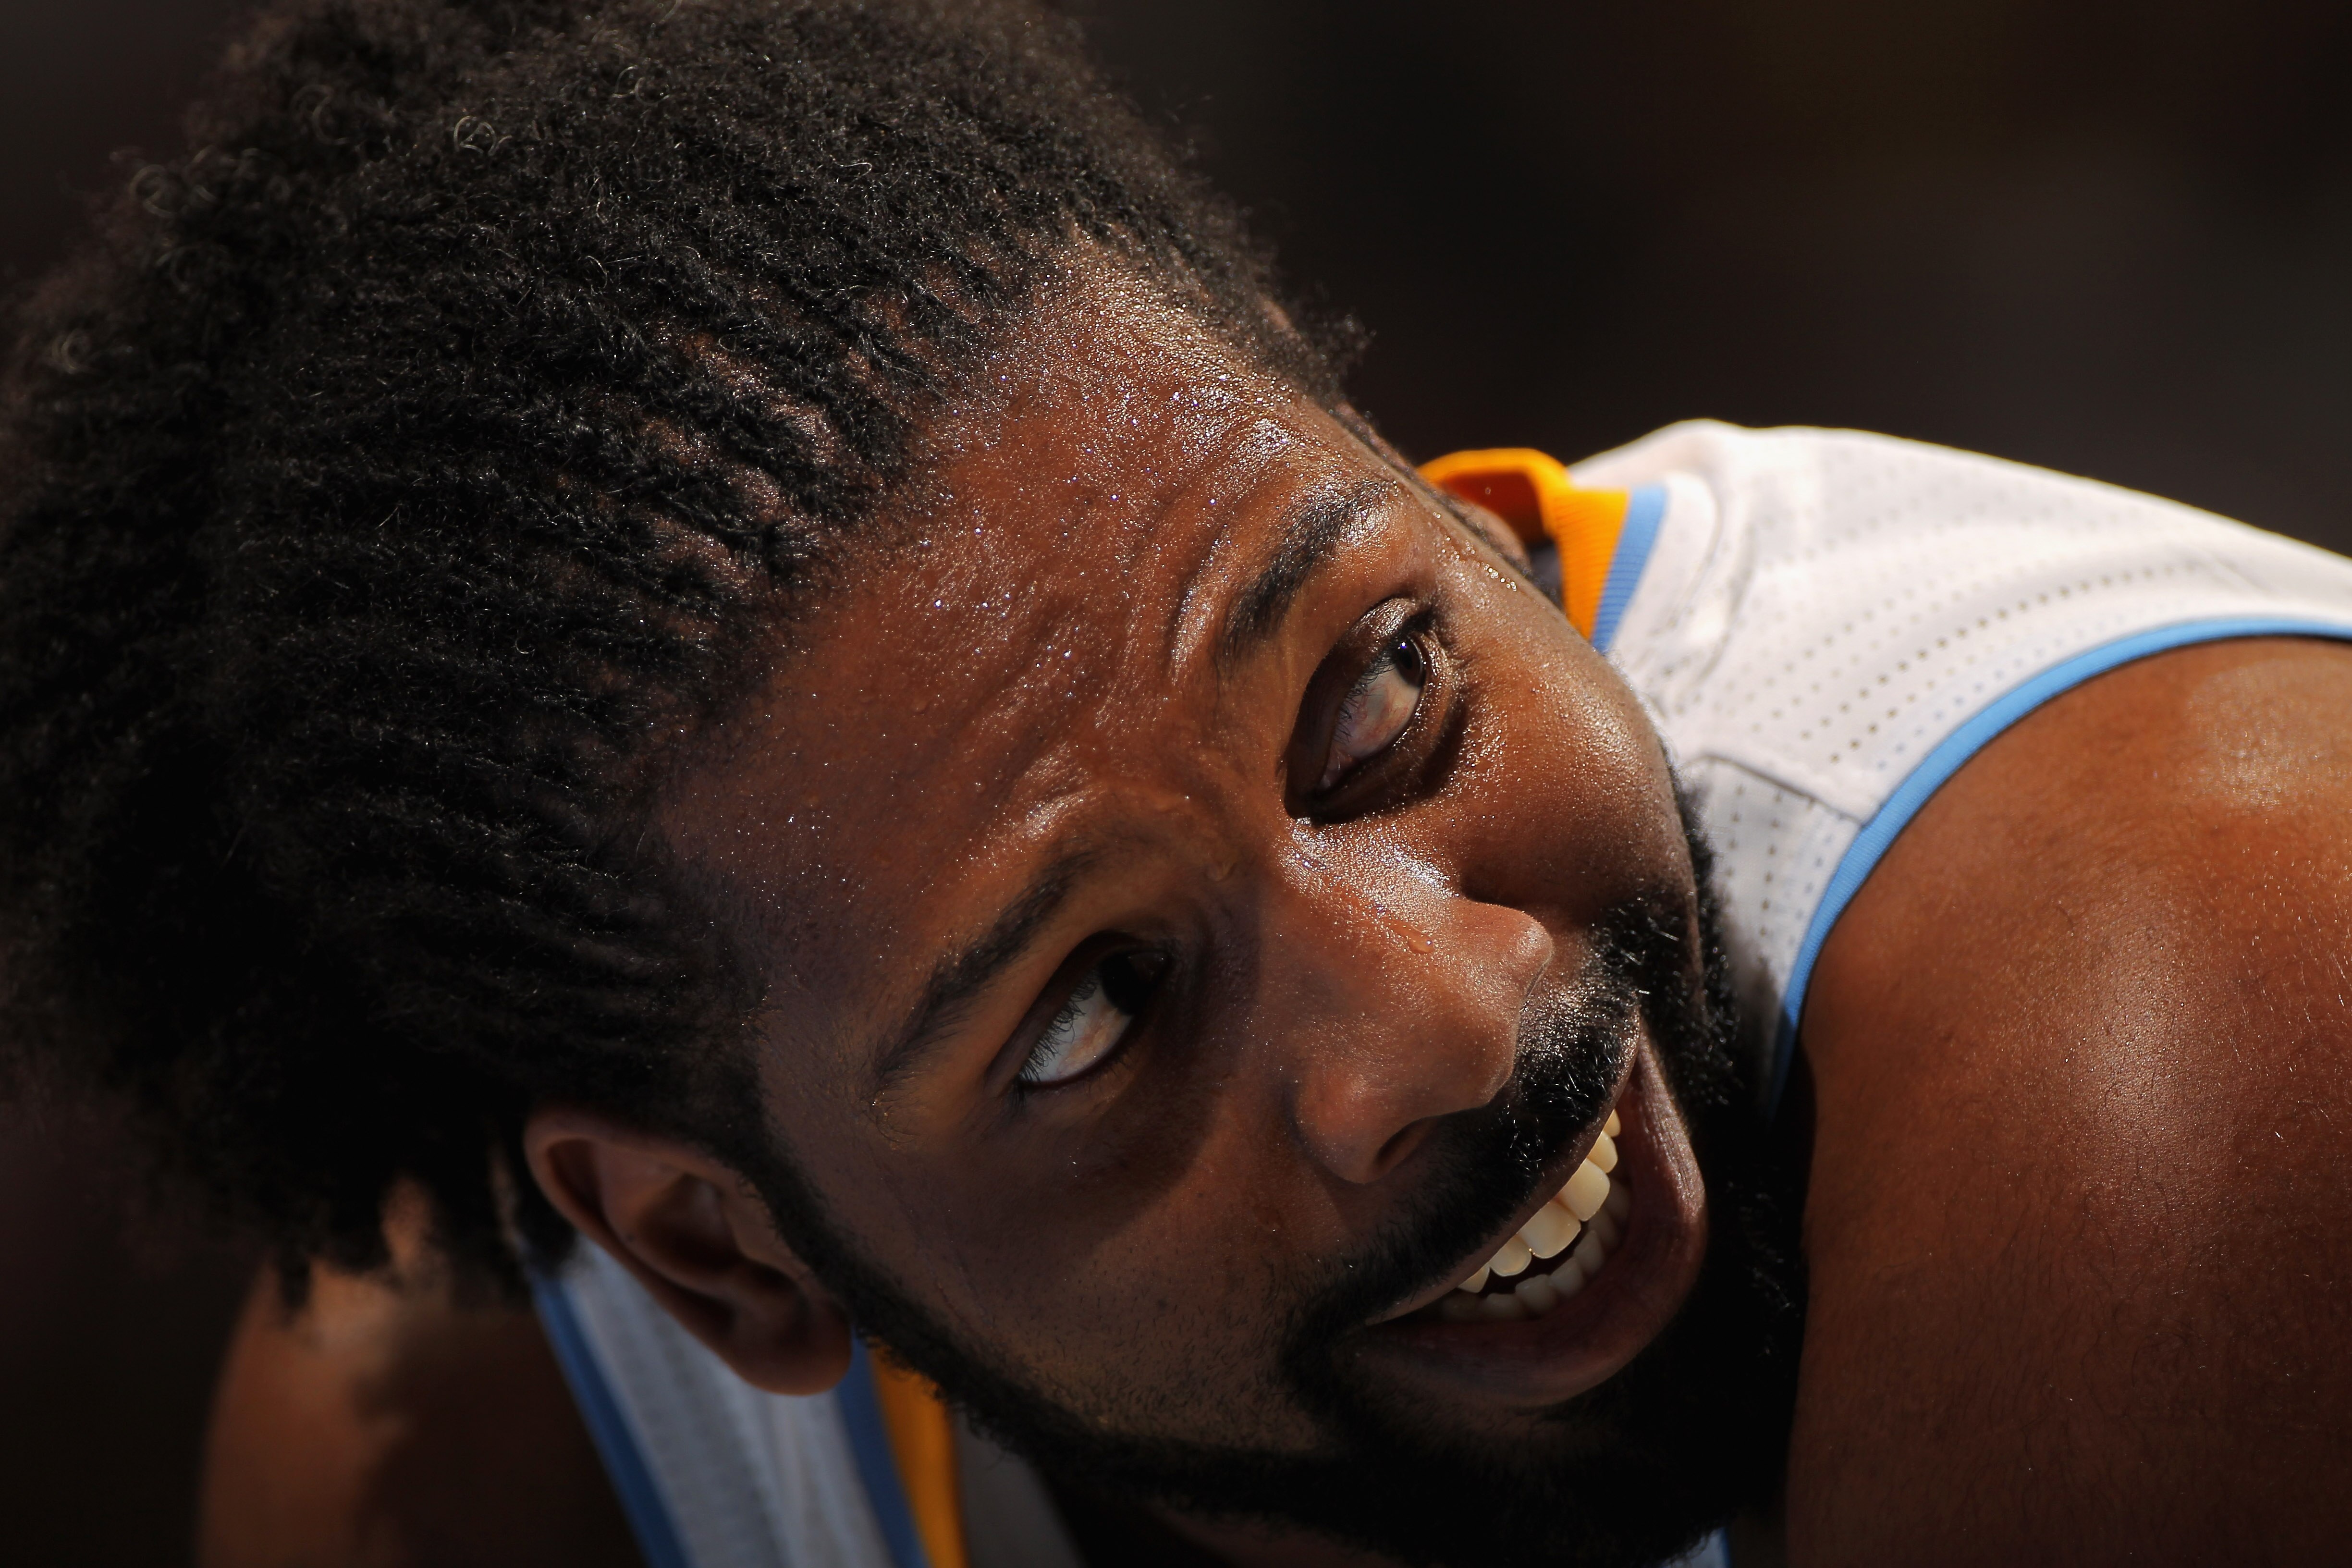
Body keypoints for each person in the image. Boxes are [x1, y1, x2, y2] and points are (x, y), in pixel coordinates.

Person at [5, 3, 2351, 1567]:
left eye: (1381, 701)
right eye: (1096, 1010)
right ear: (715, 1252)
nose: (1440, 1019)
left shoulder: (2188, 1037)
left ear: (1464, 507)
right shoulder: (487, 1479)